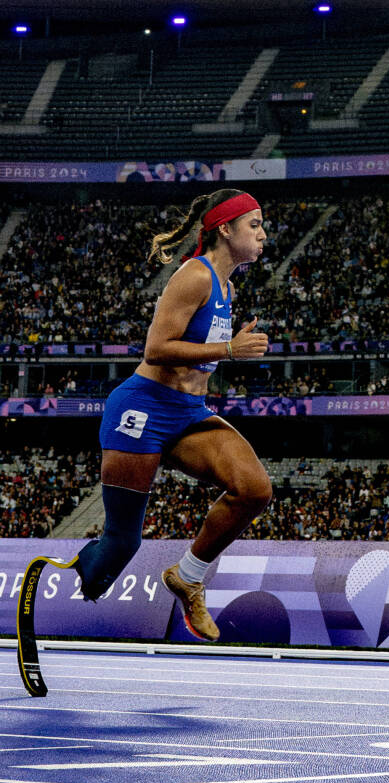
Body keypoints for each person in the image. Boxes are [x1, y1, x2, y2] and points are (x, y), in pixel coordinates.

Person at [22, 189, 272, 642]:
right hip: (142, 407)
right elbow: (156, 350)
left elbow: (198, 355)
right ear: (225, 228)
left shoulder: (227, 286)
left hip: (187, 412)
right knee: (122, 543)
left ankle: (188, 576)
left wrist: (227, 344)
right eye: (254, 224)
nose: (263, 233)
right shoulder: (193, 275)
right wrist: (230, 348)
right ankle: (74, 569)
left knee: (254, 489)